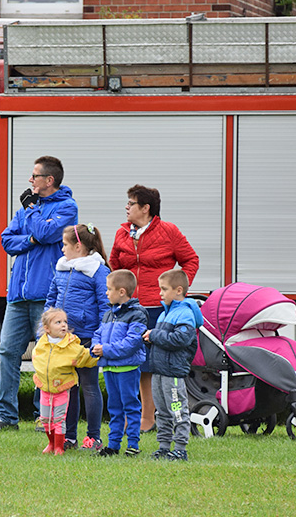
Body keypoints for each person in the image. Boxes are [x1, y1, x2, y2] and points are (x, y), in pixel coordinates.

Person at [0, 156, 78, 432]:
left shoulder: (67, 207)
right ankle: (6, 417)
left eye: (34, 176)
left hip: (44, 296)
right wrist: (31, 238)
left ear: (49, 180)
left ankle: (42, 416)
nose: (30, 181)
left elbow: (47, 233)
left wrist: (33, 217)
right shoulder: (27, 209)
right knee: (8, 351)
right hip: (18, 295)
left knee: (45, 356)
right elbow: (7, 240)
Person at [109, 184, 199, 433]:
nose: (126, 208)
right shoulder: (122, 233)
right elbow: (115, 265)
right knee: (128, 362)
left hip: (157, 309)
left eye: (131, 203)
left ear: (146, 208)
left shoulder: (169, 231)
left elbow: (191, 260)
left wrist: (177, 290)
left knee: (151, 365)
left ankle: (149, 418)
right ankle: (132, 415)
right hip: (130, 309)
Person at [45, 223, 110, 451]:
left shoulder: (98, 271)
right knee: (68, 387)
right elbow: (51, 298)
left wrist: (100, 337)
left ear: (78, 246)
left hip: (87, 338)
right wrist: (46, 328)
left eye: (64, 244)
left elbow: (105, 306)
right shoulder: (62, 267)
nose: (62, 249)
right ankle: (69, 437)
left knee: (89, 385)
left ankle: (93, 438)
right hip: (64, 339)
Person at [143, 269, 203, 462]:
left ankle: (180, 448)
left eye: (164, 289)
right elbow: (163, 339)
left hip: (173, 373)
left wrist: (154, 335)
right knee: (162, 411)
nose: (160, 293)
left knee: (177, 409)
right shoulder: (165, 314)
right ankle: (164, 446)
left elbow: (180, 339)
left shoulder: (185, 313)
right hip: (159, 371)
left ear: (178, 290)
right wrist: (149, 338)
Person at [92, 270, 148, 457]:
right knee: (114, 408)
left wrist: (105, 350)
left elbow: (131, 343)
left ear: (122, 292)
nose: (106, 293)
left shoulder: (137, 315)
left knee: (130, 406)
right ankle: (113, 445)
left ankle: (133, 444)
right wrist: (96, 346)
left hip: (127, 370)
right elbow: (98, 334)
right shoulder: (109, 314)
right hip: (109, 369)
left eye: (109, 289)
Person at [32, 308, 99, 455]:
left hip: (62, 388)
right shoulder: (41, 344)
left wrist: (98, 354)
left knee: (59, 419)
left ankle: (59, 446)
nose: (63, 325)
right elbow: (37, 359)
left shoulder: (71, 345)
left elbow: (84, 356)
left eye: (65, 322)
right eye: (58, 322)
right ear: (47, 328)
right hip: (45, 388)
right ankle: (51, 443)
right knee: (45, 418)